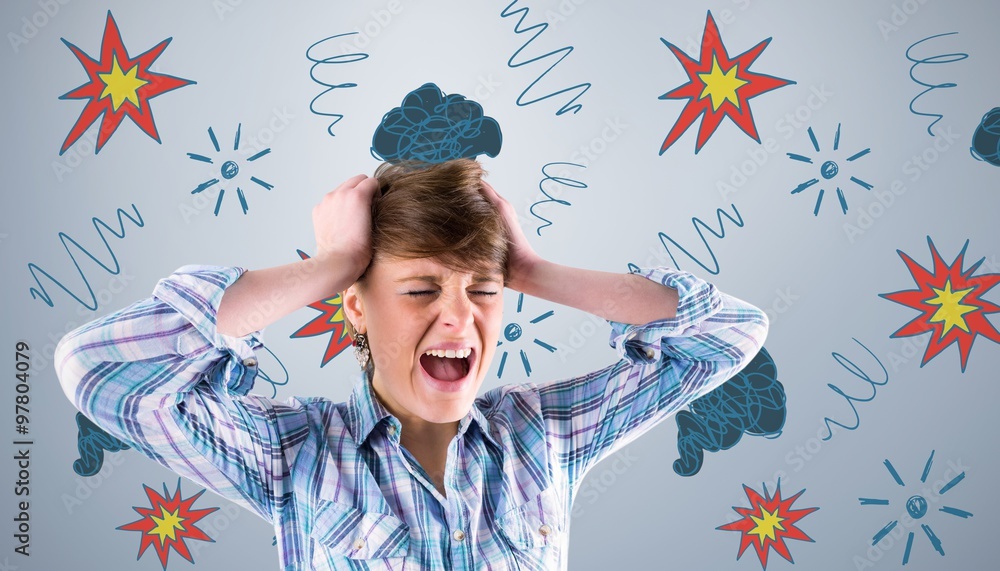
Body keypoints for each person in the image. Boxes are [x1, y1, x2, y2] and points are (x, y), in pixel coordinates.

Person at [55, 158, 769, 570]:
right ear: (356, 308)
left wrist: (533, 267)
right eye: (422, 289)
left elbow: (729, 334)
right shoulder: (292, 455)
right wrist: (334, 262)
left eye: (483, 292)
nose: (459, 318)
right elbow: (98, 370)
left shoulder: (544, 436)